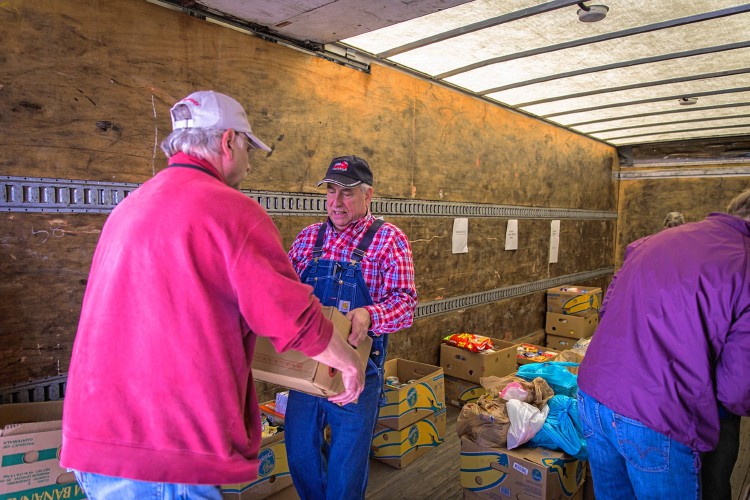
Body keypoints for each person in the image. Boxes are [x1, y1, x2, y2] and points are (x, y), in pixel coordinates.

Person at [60, 91, 365, 499]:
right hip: (163, 451)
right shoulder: (231, 211)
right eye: (246, 147)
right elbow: (292, 317)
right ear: (227, 143)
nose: (249, 162)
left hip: (94, 443)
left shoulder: (131, 207)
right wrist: (349, 364)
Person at [577, 189, 750, 499]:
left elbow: (607, 309)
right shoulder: (744, 261)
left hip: (594, 396)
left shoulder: (649, 242)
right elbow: (735, 391)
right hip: (657, 416)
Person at [285, 155, 418, 499]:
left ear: (368, 194)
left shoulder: (389, 240)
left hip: (356, 374)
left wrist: (370, 315)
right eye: (331, 191)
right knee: (300, 455)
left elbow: (405, 304)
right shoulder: (306, 239)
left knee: (346, 470)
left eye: (346, 192)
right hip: (305, 368)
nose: (336, 201)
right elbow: (283, 294)